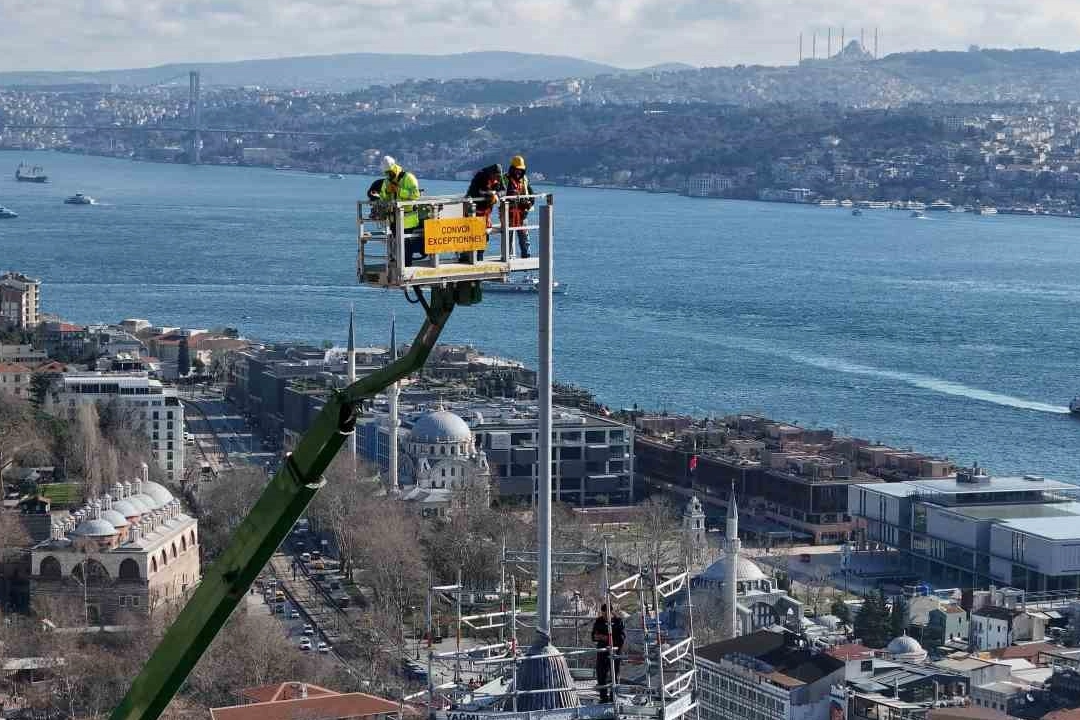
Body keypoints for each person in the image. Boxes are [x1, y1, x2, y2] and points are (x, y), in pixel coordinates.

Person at [377, 156, 424, 265]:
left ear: (394, 168)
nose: (388, 174)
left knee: (406, 243)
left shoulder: (408, 177)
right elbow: (383, 198)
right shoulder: (387, 181)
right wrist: (386, 193)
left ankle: (406, 264)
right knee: (396, 242)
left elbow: (415, 195)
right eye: (386, 172)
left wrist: (399, 190)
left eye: (389, 172)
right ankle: (399, 262)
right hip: (394, 218)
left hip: (408, 219)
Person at [461, 163, 504, 262]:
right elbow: (473, 192)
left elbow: (504, 190)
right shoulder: (480, 176)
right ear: (491, 173)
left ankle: (480, 257)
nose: (496, 178)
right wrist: (488, 194)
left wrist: (497, 194)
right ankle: (466, 256)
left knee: (485, 235)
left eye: (498, 176)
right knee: (470, 235)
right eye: (495, 176)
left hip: (486, 213)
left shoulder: (499, 177)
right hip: (474, 211)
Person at [592, 604, 625, 703]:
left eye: (606, 614)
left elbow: (621, 639)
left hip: (615, 652)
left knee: (614, 674)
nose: (605, 616)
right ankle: (603, 697)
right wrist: (601, 637)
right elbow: (593, 636)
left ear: (611, 612)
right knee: (601, 674)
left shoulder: (618, 622)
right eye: (603, 614)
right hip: (602, 652)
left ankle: (613, 697)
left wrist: (608, 639)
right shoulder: (599, 621)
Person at [503, 155, 534, 258]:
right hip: (508, 213)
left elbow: (531, 194)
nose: (518, 172)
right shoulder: (505, 179)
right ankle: (507, 256)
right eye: (517, 169)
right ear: (512, 169)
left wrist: (529, 203)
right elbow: (501, 194)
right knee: (508, 237)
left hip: (522, 213)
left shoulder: (524, 179)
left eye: (520, 170)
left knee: (524, 236)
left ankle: (526, 256)